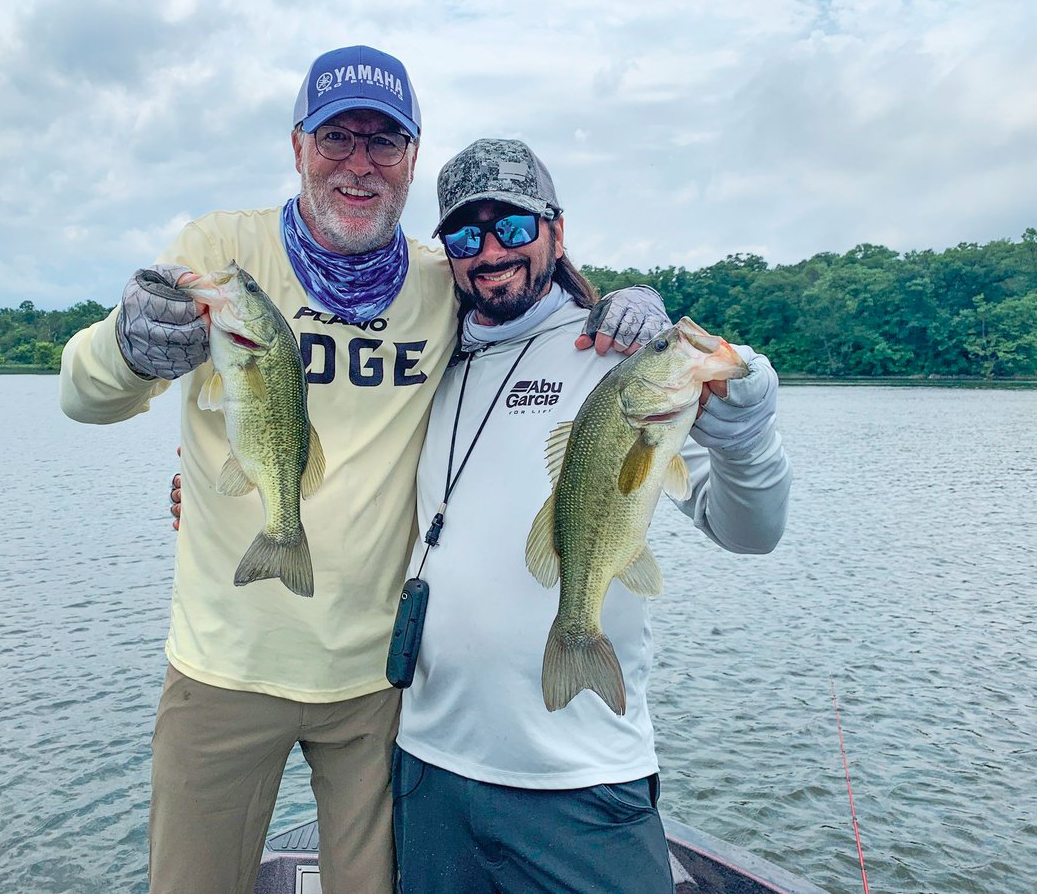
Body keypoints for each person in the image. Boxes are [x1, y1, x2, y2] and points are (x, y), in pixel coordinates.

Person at [60, 46, 668, 894]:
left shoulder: (437, 279)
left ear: (411, 160)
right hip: (225, 665)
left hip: (379, 690)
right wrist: (123, 347)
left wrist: (628, 312)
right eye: (337, 137)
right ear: (298, 145)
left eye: (384, 143)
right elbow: (85, 398)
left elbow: (527, 303)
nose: (359, 164)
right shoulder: (218, 250)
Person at [389, 139, 793, 893]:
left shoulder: (620, 357)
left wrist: (745, 428)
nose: (489, 251)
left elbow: (751, 530)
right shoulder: (426, 358)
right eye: (465, 234)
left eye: (511, 227)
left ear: (557, 232)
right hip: (429, 771)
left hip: (581, 788)